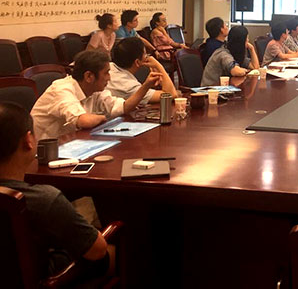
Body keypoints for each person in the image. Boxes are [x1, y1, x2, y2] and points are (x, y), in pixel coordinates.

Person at [0, 102, 113, 279]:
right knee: (110, 251)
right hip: (46, 280)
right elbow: (97, 251)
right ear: (28, 141)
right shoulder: (44, 200)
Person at [30, 50, 160, 140]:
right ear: (89, 76)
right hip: (42, 153)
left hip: (71, 143)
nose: (109, 78)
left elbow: (124, 107)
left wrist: (146, 86)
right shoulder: (62, 89)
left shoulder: (95, 89)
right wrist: (104, 117)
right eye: (106, 73)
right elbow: (84, 121)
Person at [107, 37, 178, 103]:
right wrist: (158, 66)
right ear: (137, 62)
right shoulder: (128, 86)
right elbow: (171, 95)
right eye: (146, 54)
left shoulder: (109, 67)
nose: (148, 57)